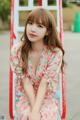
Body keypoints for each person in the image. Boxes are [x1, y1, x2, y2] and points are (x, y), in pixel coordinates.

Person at [10, 8, 65, 120]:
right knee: (26, 115)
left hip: (46, 97)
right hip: (26, 95)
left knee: (45, 116)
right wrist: (34, 111)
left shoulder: (55, 53)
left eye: (40, 26)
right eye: (30, 23)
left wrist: (36, 111)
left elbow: (44, 83)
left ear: (48, 31)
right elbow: (25, 82)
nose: (32, 29)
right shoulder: (17, 50)